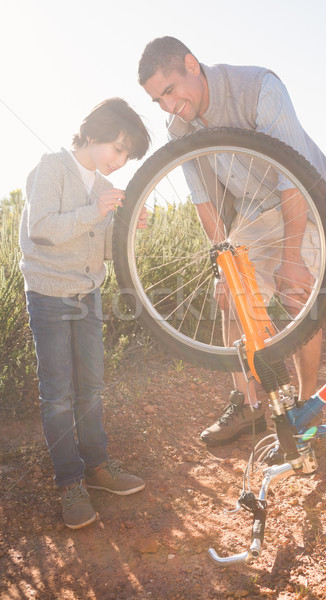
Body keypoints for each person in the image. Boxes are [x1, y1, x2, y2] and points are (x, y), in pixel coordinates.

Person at [138, 37, 326, 447]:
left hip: (306, 193)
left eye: (170, 91)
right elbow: (204, 200)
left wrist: (292, 255)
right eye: (158, 100)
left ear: (192, 65)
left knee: (298, 290)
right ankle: (248, 407)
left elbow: (291, 176)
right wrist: (222, 260)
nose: (168, 106)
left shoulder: (259, 88)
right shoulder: (178, 125)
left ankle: (305, 409)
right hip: (253, 208)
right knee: (231, 292)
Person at [19, 98, 151, 529]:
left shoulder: (99, 187)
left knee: (91, 387)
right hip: (50, 296)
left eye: (127, 156)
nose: (120, 160)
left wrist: (129, 222)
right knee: (57, 393)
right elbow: (42, 229)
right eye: (118, 148)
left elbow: (99, 246)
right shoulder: (51, 166)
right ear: (93, 135)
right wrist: (96, 210)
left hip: (89, 296)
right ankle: (69, 482)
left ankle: (98, 467)